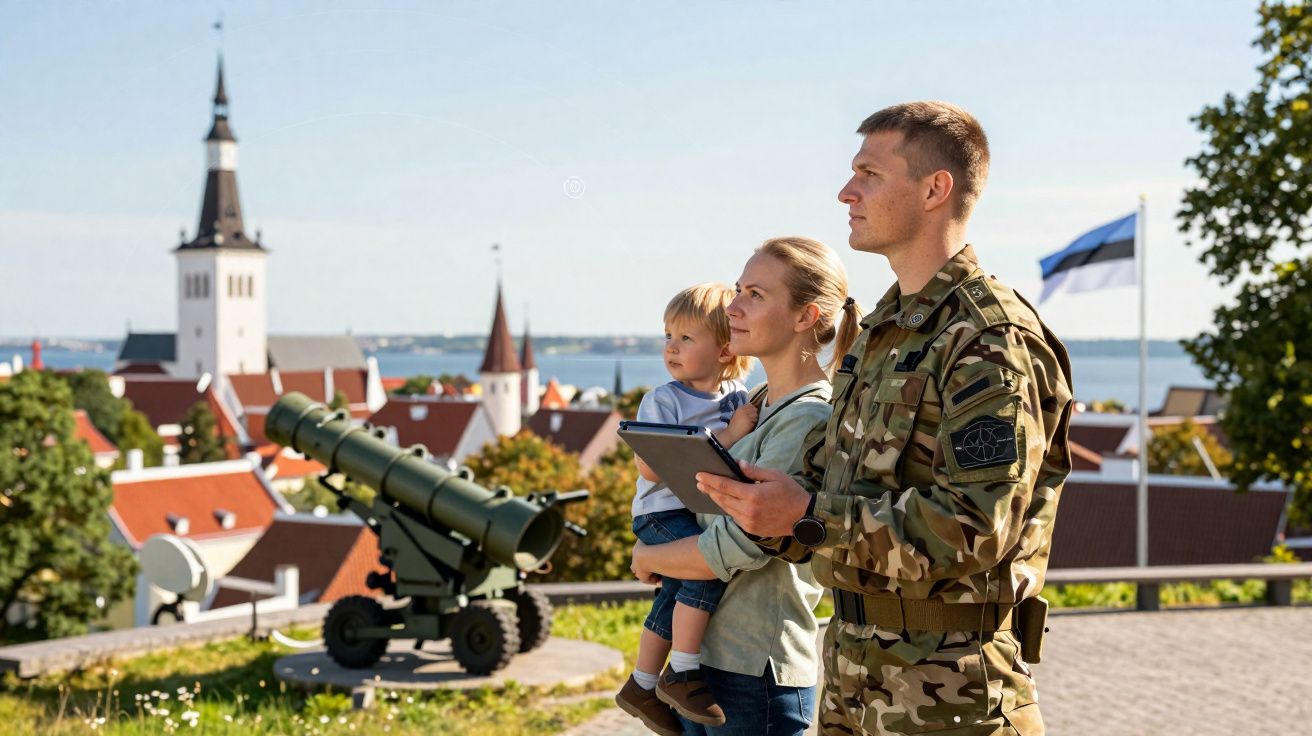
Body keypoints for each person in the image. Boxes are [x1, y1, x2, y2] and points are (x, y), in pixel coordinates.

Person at [696, 102, 1074, 735]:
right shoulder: (878, 336)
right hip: (850, 680)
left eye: (868, 173)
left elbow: (978, 528)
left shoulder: (988, 338)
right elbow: (825, 497)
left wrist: (809, 516)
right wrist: (766, 508)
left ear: (935, 189)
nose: (847, 192)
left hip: (953, 699)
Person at [630, 236, 864, 735]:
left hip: (755, 669)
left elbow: (737, 544)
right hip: (701, 662)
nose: (732, 307)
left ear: (805, 317)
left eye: (754, 295)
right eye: (738, 290)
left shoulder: (809, 416)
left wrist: (649, 558)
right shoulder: (750, 405)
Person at [616, 283, 758, 733]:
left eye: (686, 338)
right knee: (704, 566)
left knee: (676, 592)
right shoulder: (665, 399)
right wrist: (730, 437)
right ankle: (682, 671)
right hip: (660, 512)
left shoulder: (737, 396)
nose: (671, 348)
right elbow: (650, 466)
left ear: (724, 348)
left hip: (698, 510)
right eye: (667, 336)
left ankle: (640, 684)